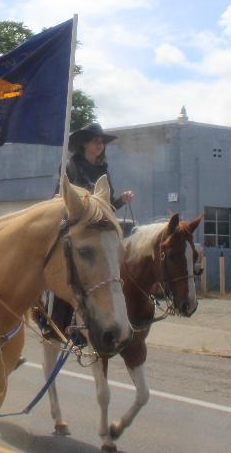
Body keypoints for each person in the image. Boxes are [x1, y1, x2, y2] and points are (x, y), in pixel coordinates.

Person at [44, 122, 134, 342]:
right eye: (95, 141)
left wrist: (121, 200)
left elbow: (106, 206)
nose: (99, 145)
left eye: (102, 142)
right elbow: (61, 196)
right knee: (67, 269)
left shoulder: (103, 170)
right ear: (85, 143)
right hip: (76, 225)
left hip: (96, 228)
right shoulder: (70, 166)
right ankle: (53, 322)